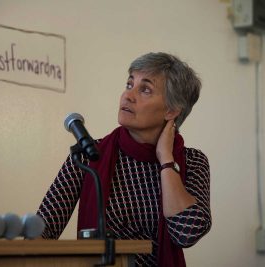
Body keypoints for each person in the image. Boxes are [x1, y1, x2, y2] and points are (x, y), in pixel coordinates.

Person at [37, 52, 211, 266]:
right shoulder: (90, 154)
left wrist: (166, 159)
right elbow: (41, 229)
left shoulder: (192, 161)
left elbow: (186, 233)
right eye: (129, 84)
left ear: (171, 111)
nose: (128, 95)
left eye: (145, 89)